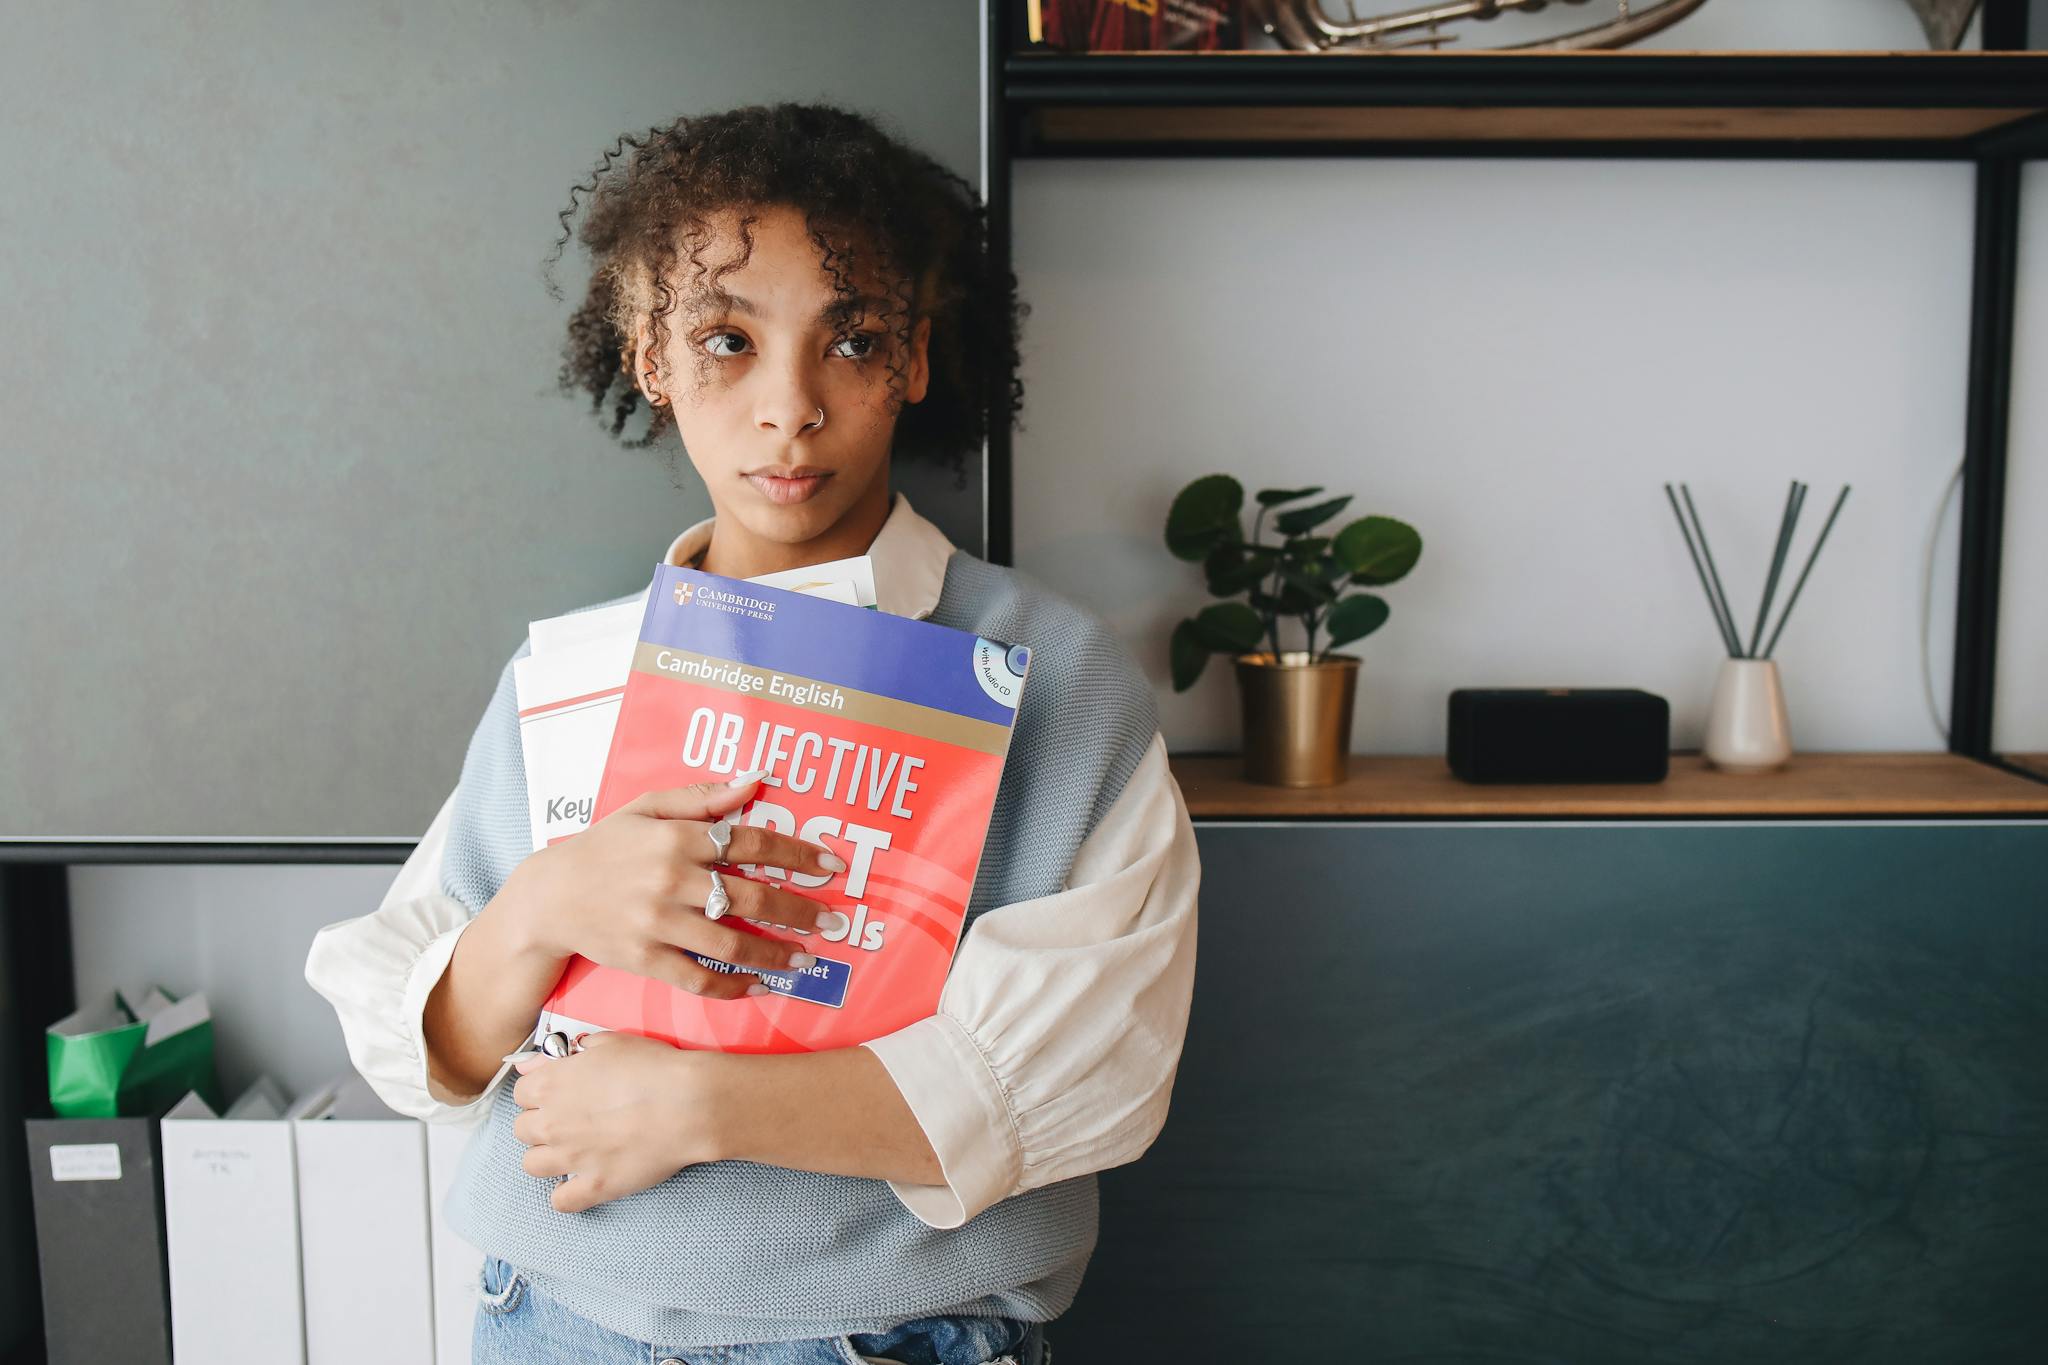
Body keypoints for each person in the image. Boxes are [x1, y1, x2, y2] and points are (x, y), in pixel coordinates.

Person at [304, 101, 1200, 1365]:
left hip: (889, 1333)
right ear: (648, 355)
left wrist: (698, 1104)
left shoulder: (1052, 678)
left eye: (853, 340)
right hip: (547, 1318)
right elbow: (423, 1048)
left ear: (917, 361)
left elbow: (1083, 1073)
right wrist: (544, 906)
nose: (790, 408)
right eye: (726, 340)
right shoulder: (570, 672)